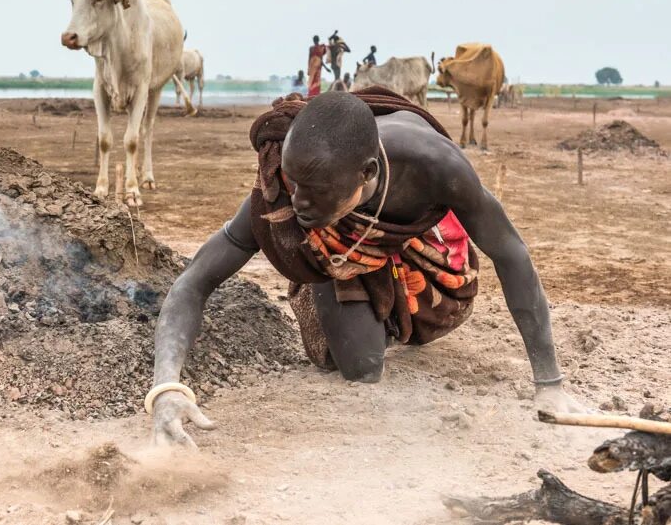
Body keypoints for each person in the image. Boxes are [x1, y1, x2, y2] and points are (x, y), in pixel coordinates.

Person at [148, 89, 586, 447]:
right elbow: (195, 280)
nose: (296, 202)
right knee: (361, 369)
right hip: (339, 250)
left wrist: (550, 383)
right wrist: (167, 387)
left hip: (421, 241)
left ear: (367, 173)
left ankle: (385, 294)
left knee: (440, 306)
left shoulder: (433, 166)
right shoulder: (286, 189)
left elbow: (511, 253)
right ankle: (330, 281)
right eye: (293, 183)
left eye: (315, 193)